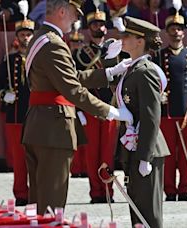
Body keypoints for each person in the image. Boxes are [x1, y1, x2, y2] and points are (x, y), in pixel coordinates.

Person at [22, 0, 133, 215]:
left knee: (38, 200)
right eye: (74, 14)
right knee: (52, 200)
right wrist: (111, 112)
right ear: (62, 11)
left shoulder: (41, 37)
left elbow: (72, 77)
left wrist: (109, 73)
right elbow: (72, 89)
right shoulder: (53, 43)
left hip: (40, 124)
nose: (76, 20)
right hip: (54, 128)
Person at [118, 16, 170, 228]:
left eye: (127, 36)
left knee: (148, 211)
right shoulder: (133, 68)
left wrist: (145, 156)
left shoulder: (145, 70)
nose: (122, 38)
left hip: (146, 149)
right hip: (135, 146)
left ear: (140, 41)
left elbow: (151, 115)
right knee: (137, 208)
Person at [154, 12, 187, 201]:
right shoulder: (160, 55)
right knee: (168, 154)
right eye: (173, 29)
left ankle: (184, 189)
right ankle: (169, 190)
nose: (176, 33)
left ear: (184, 33)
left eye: (179, 29)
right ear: (167, 33)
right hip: (166, 111)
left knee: (186, 152)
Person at [73, 8, 119, 203]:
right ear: (88, 28)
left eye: (101, 24)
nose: (98, 27)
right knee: (92, 154)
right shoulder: (82, 53)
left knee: (108, 152)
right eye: (94, 25)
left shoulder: (117, 48)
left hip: (110, 106)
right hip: (90, 108)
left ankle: (108, 191)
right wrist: (78, 110)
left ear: (106, 27)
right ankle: (96, 193)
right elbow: (75, 83)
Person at [0, 18, 35, 206]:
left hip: (35, 114)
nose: (26, 38)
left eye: (28, 34)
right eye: (22, 35)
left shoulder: (38, 58)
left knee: (35, 157)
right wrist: (4, 94)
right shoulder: (9, 60)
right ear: (17, 37)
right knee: (18, 159)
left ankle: (35, 193)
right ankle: (21, 194)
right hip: (16, 114)